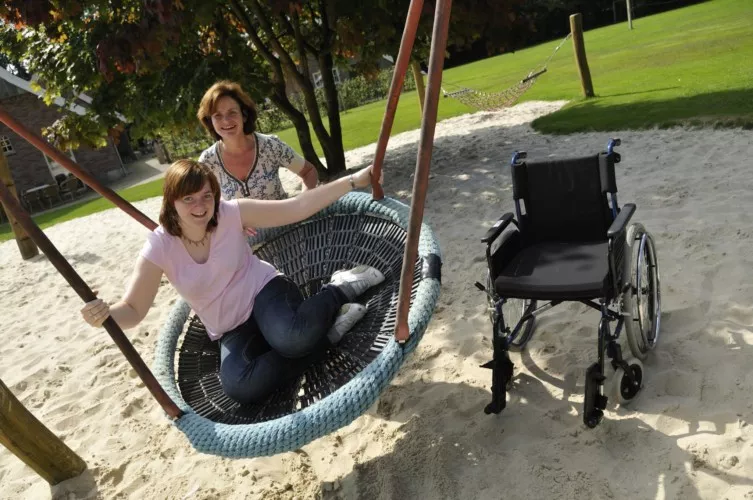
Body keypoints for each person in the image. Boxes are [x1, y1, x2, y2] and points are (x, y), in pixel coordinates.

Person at [80, 159, 385, 405]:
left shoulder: (230, 213)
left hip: (264, 293)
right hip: (230, 327)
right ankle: (327, 335)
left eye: (206, 196)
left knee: (292, 338)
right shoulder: (160, 247)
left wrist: (352, 181)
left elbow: (296, 208)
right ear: (171, 201)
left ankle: (338, 288)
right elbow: (133, 310)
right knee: (240, 386)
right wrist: (105, 314)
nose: (200, 206)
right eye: (188, 199)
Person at [197, 81, 319, 202]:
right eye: (217, 115)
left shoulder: (271, 146)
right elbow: (200, 200)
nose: (226, 121)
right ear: (210, 121)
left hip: (283, 221)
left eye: (232, 112)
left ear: (244, 115)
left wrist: (301, 203)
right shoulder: (208, 161)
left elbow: (309, 172)